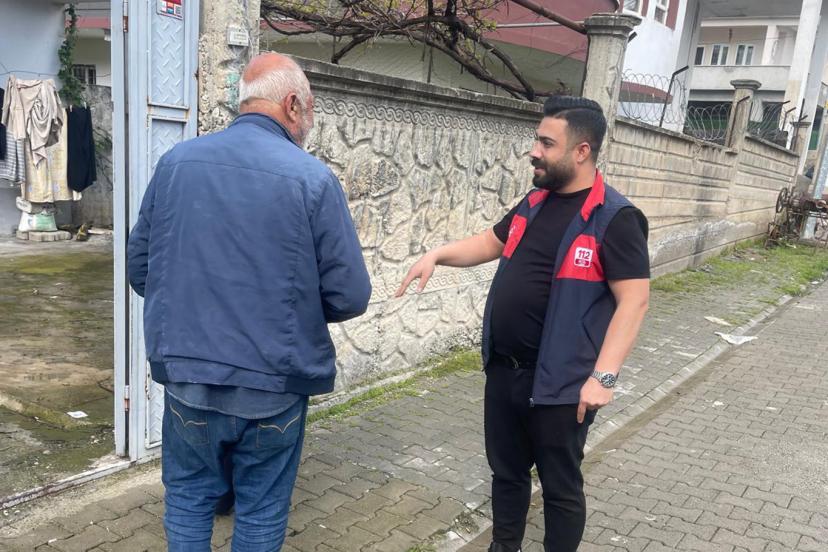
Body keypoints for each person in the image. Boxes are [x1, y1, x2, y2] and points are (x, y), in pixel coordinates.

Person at [127, 53, 371, 552]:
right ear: (293, 104)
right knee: (261, 510)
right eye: (309, 111)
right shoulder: (313, 179)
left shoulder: (176, 164)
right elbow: (349, 295)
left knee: (188, 499)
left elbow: (140, 269)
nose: (308, 124)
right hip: (273, 386)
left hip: (189, 378)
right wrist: (293, 309)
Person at [397, 96, 650, 552]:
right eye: (537, 140)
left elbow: (634, 301)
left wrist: (604, 377)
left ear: (582, 151)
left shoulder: (615, 218)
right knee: (507, 474)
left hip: (563, 385)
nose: (534, 151)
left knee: (560, 486)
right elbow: (489, 242)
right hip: (505, 371)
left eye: (546, 143)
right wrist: (437, 255)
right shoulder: (534, 203)